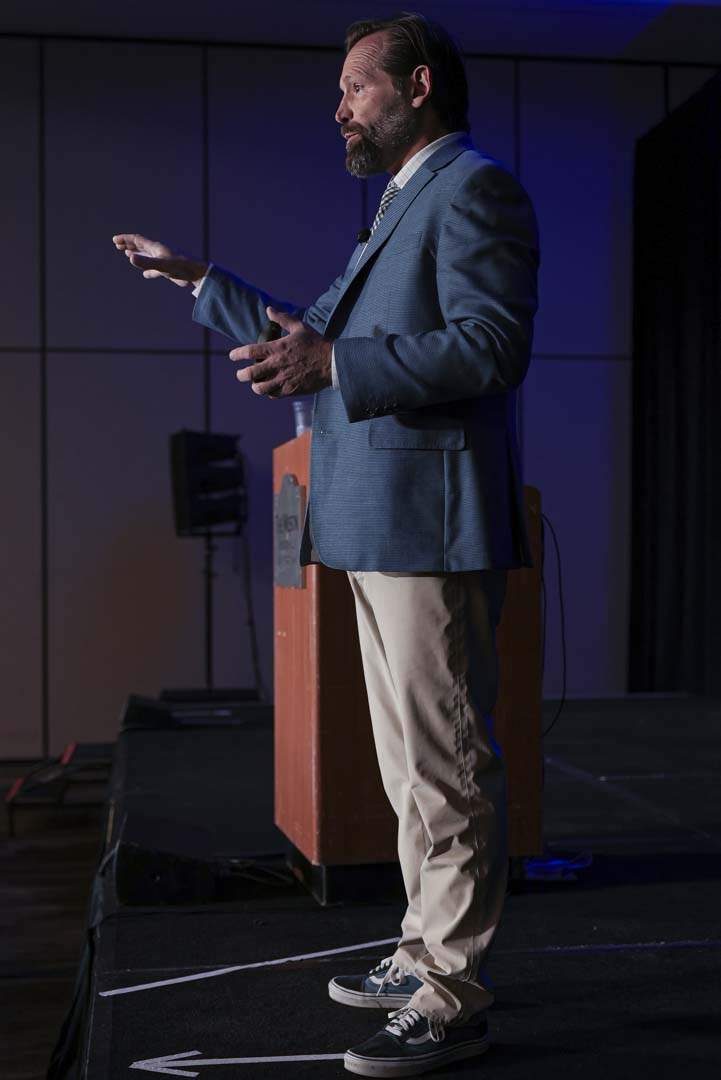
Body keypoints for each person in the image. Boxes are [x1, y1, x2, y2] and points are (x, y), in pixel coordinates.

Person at [113, 12, 539, 1076]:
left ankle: (450, 995)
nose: (338, 107)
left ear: (418, 86)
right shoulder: (400, 204)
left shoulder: (472, 188)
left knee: (445, 767)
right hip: (378, 518)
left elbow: (490, 346)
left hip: (428, 522)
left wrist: (336, 365)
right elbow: (315, 334)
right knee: (410, 768)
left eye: (355, 87)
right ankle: (421, 947)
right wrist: (199, 280)